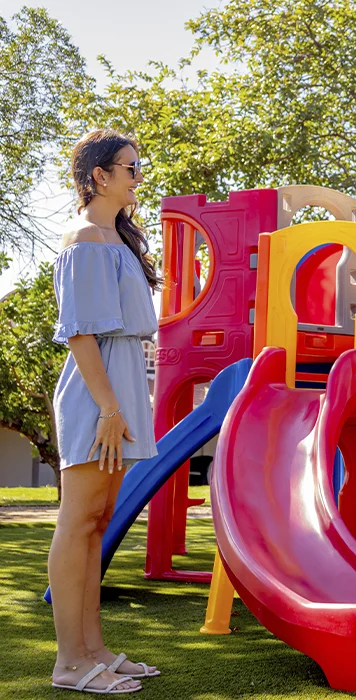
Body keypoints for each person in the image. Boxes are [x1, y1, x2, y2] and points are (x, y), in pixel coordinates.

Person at [48, 129, 161, 694]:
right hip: (100, 393)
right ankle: (69, 663)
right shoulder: (87, 238)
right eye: (131, 168)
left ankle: (93, 649)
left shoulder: (115, 239)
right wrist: (110, 408)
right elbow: (81, 334)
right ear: (100, 176)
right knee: (79, 521)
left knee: (97, 524)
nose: (138, 177)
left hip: (120, 388)